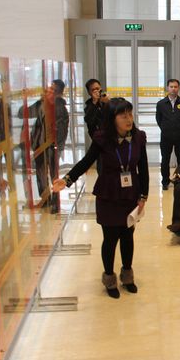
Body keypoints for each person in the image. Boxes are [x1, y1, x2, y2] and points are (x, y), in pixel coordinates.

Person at [52, 98, 149, 299]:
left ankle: (127, 276)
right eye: (123, 115)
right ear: (112, 119)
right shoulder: (102, 138)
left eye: (130, 114)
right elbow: (86, 161)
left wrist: (143, 196)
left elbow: (144, 169)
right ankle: (109, 279)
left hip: (130, 193)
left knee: (128, 235)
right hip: (108, 193)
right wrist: (67, 179)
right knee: (110, 238)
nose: (128, 119)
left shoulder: (138, 138)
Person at [30, 79, 69, 213]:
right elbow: (22, 113)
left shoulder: (59, 109)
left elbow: (61, 132)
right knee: (41, 173)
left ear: (58, 93)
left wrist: (56, 147)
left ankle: (55, 202)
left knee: (53, 174)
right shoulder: (43, 105)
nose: (49, 91)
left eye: (52, 89)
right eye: (49, 88)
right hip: (40, 146)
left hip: (52, 147)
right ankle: (45, 199)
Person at [156, 79, 180, 190]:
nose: (173, 89)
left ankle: (179, 180)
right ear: (167, 88)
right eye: (171, 86)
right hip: (166, 137)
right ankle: (165, 181)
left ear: (178, 88)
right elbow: (158, 119)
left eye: (175, 87)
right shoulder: (161, 104)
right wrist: (166, 128)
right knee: (165, 159)